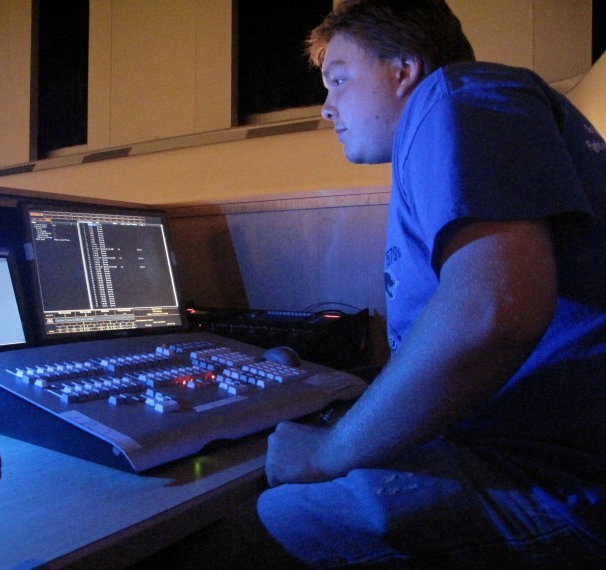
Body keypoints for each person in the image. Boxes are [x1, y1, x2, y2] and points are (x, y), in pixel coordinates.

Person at [257, 0, 606, 567]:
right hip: (540, 454)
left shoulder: (455, 97)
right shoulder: (453, 126)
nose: (326, 107)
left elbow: (494, 313)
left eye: (339, 79)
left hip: (559, 485)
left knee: (279, 512)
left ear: (404, 68)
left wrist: (330, 451)